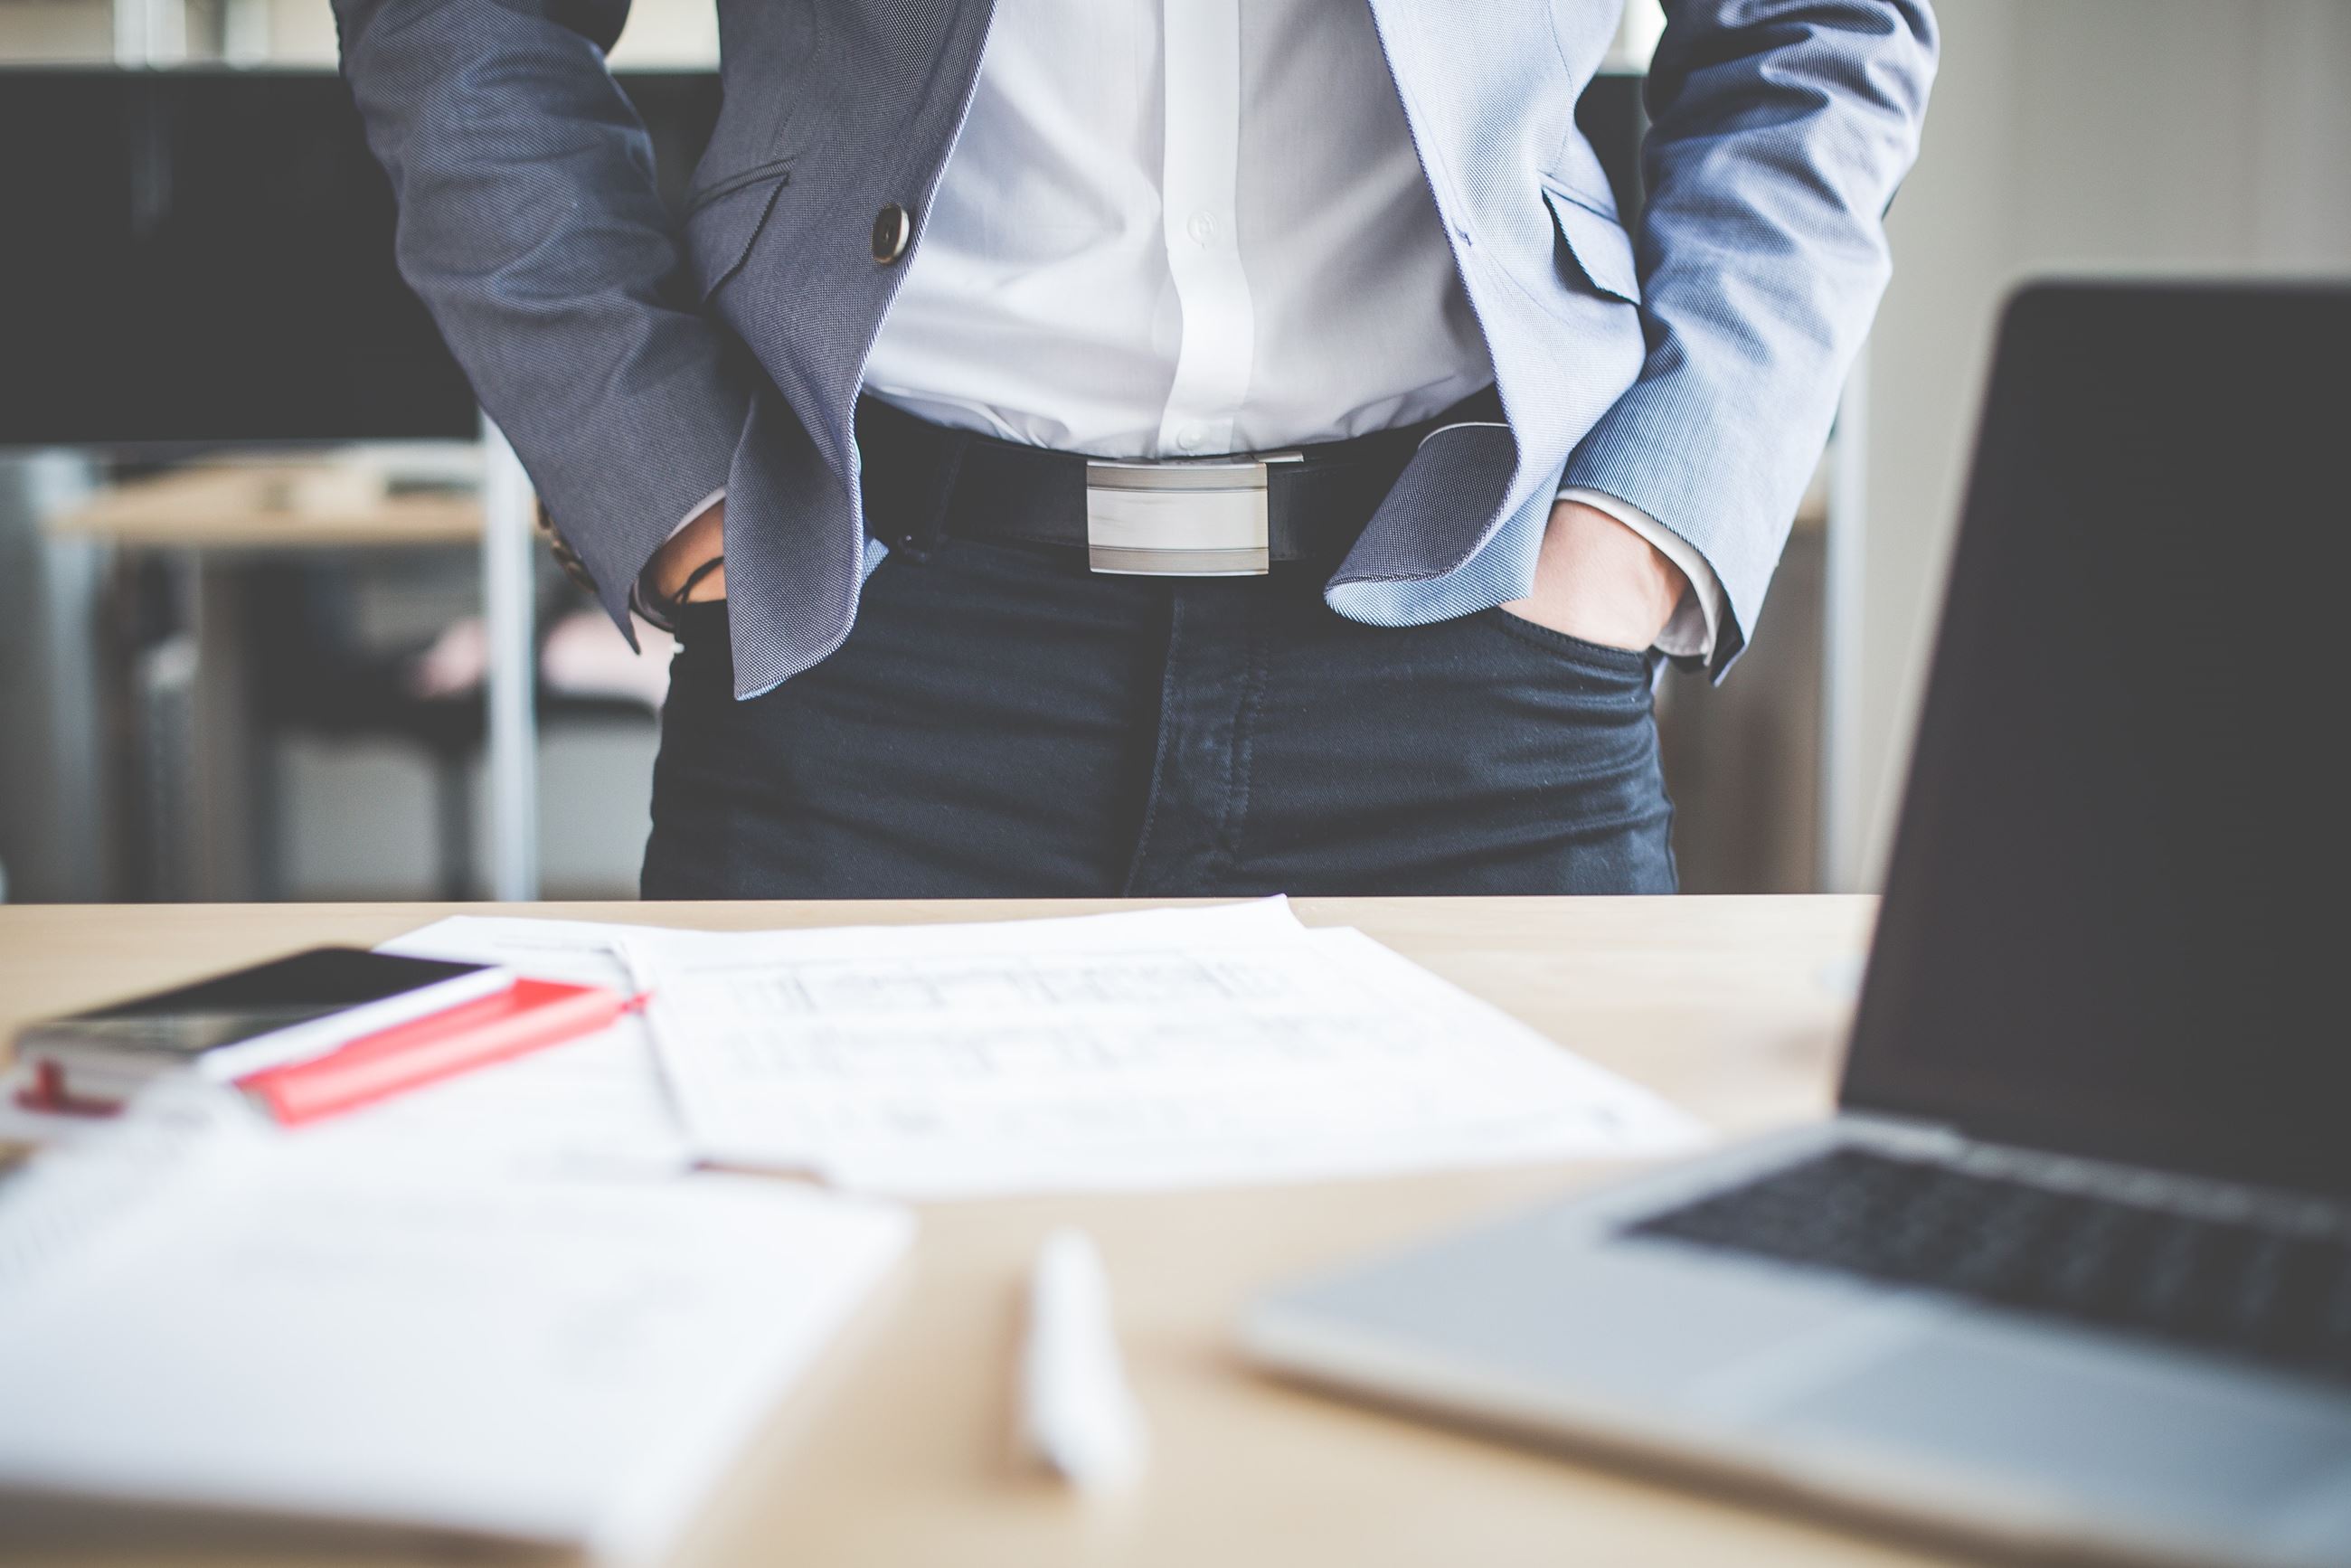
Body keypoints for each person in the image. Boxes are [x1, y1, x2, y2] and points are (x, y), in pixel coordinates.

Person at [334, 0, 1936, 899]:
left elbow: (1815, 29)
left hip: (1479, 639)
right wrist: (671, 479)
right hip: (871, 657)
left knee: (1507, 1361)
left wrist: (1645, 528)